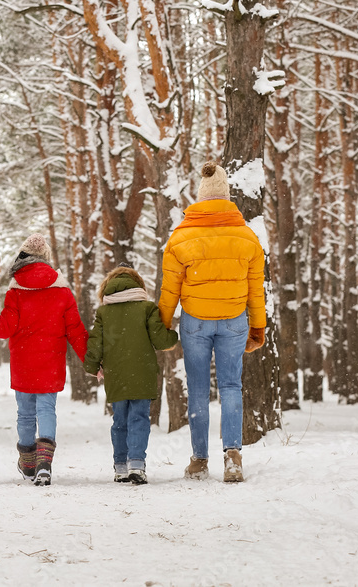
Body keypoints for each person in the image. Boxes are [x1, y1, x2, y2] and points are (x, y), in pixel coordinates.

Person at [157, 161, 266, 483]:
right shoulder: (247, 236)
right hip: (235, 320)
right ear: (227, 197)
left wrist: (162, 327)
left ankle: (199, 460)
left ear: (200, 198)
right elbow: (255, 288)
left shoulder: (180, 237)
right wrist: (257, 327)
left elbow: (169, 289)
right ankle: (233, 457)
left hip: (196, 323)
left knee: (199, 390)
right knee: (232, 386)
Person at [0, 234, 89, 486]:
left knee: (26, 413)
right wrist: (92, 362)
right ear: (47, 259)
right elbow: (76, 331)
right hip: (51, 363)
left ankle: (28, 463)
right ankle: (44, 464)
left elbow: (4, 329)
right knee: (47, 409)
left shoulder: (16, 290)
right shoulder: (62, 291)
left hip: (23, 363)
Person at [83, 265, 178, 485]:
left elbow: (95, 342)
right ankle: (137, 464)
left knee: (120, 421)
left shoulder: (104, 312)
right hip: (142, 372)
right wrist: (174, 335)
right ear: (138, 285)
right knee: (140, 418)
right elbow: (161, 340)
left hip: (116, 373)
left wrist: (91, 365)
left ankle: (120, 467)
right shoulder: (146, 308)